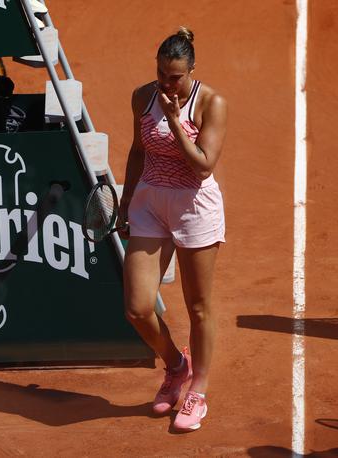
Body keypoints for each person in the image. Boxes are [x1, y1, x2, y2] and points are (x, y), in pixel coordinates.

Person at [119, 26, 227, 432]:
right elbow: (136, 151)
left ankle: (198, 389)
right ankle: (176, 365)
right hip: (150, 202)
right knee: (137, 307)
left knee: (199, 308)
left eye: (176, 77)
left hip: (194, 206)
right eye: (162, 74)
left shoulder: (212, 102)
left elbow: (202, 164)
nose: (168, 83)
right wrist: (127, 201)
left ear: (192, 71)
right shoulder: (141, 96)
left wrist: (175, 120)